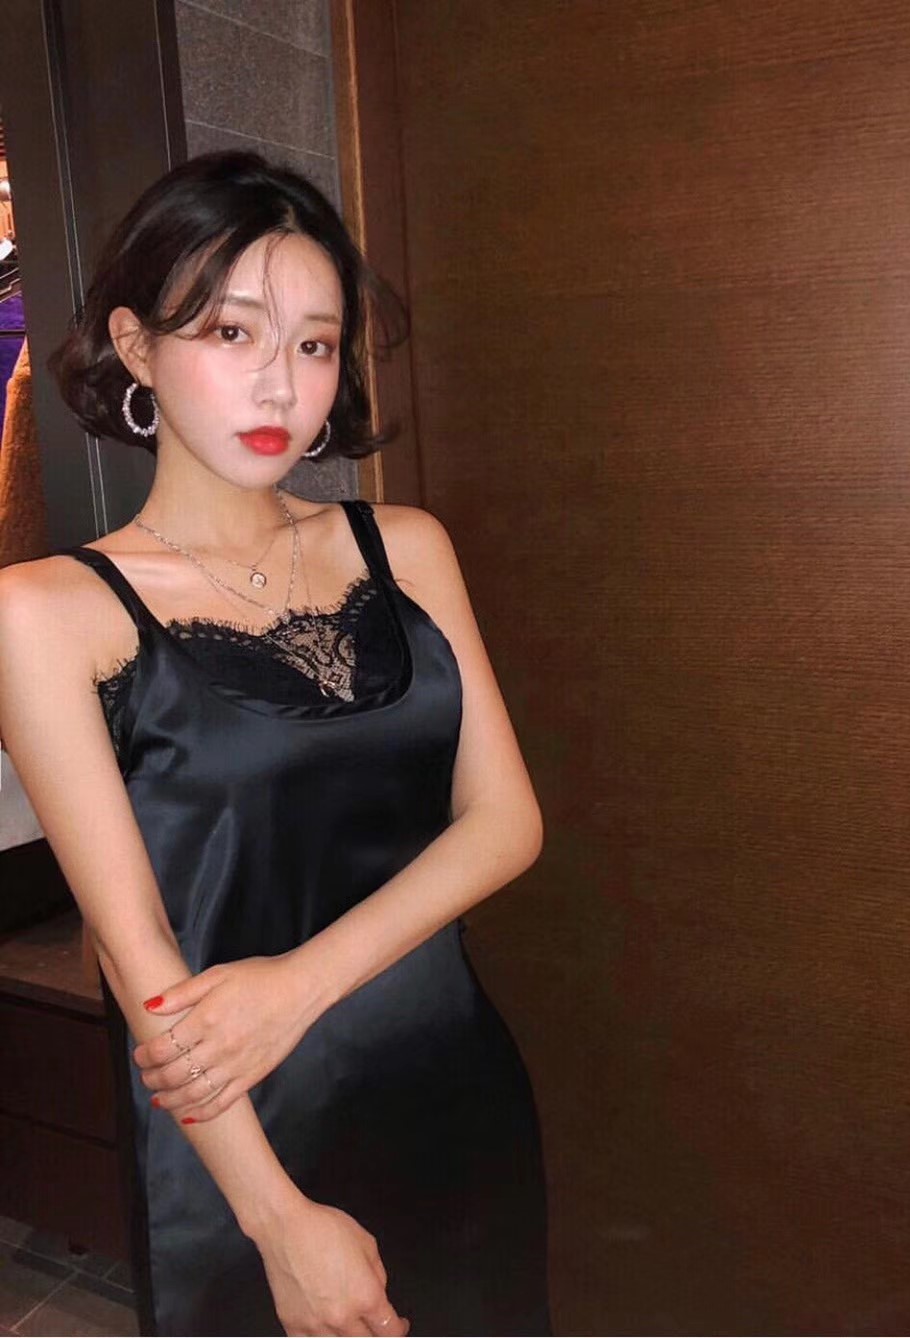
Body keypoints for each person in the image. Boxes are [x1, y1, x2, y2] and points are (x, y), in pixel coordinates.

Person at [0, 151, 551, 1337]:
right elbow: (132, 945)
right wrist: (275, 1219)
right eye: (232, 331)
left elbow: (508, 823)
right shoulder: (44, 612)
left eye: (313, 344)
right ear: (138, 347)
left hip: (448, 1081)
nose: (281, 385)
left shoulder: (406, 546)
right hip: (239, 1134)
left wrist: (297, 986)